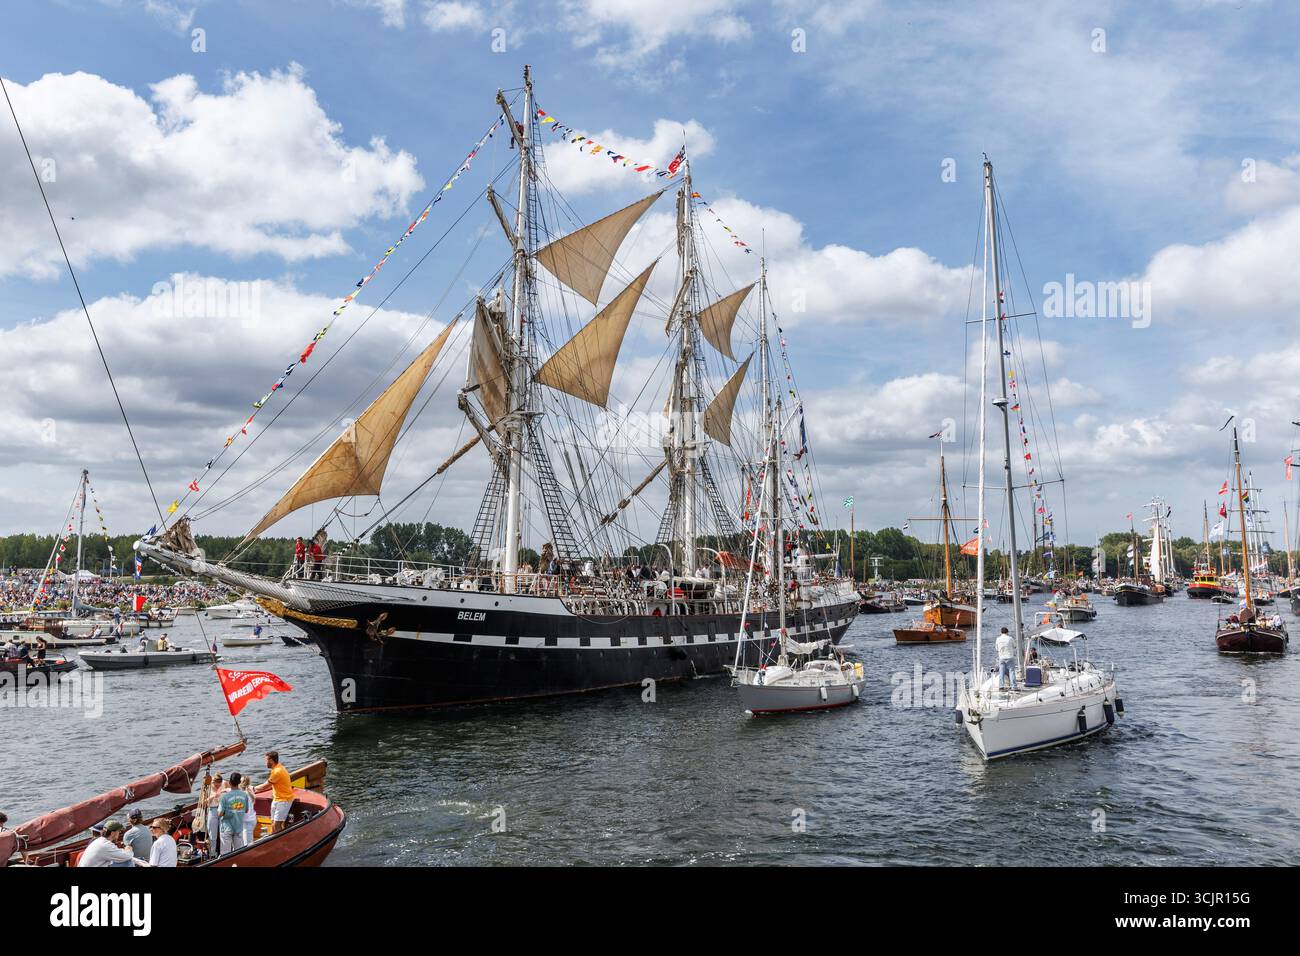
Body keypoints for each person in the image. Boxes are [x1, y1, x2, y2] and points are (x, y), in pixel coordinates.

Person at [78, 821, 149, 867]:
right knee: (128, 862)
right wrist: (129, 849)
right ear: (113, 833)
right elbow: (127, 856)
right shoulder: (106, 845)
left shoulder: (100, 841)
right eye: (119, 832)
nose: (119, 834)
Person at [218, 771, 249, 855]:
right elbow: (246, 810)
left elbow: (220, 813)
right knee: (239, 853)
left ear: (229, 782)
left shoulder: (224, 796)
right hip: (238, 827)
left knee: (225, 854)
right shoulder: (244, 795)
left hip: (226, 828)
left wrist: (227, 812)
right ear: (239, 782)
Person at [265, 751, 294, 834]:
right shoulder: (277, 768)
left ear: (271, 760)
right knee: (273, 825)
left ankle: (281, 843)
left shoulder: (277, 771)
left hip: (284, 800)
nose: (265, 762)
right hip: (277, 799)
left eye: (266, 760)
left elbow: (265, 786)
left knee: (277, 825)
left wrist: (252, 788)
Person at [995, 627, 1017, 691]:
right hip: (1009, 657)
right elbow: (1015, 646)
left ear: (1001, 632)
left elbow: (996, 648)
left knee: (1001, 672)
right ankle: (1013, 686)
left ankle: (1001, 686)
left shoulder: (998, 639)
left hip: (1001, 658)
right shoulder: (1010, 638)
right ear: (1007, 632)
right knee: (1012, 672)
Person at [243, 775, 258, 846]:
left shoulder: (243, 794)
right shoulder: (250, 791)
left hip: (247, 821)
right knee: (249, 841)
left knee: (247, 844)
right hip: (252, 819)